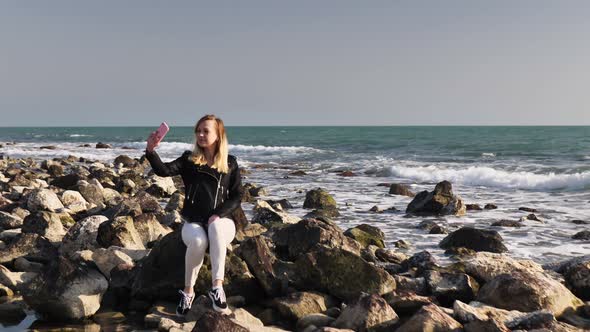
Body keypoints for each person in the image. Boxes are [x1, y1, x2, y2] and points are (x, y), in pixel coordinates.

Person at [144, 115, 243, 316]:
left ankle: (217, 287)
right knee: (198, 241)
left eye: (206, 131)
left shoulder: (230, 163)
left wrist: (218, 214)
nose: (200, 134)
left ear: (218, 135)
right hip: (194, 222)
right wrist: (150, 150)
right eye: (198, 130)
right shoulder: (189, 159)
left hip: (223, 223)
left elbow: (238, 195)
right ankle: (188, 292)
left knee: (215, 226)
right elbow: (164, 171)